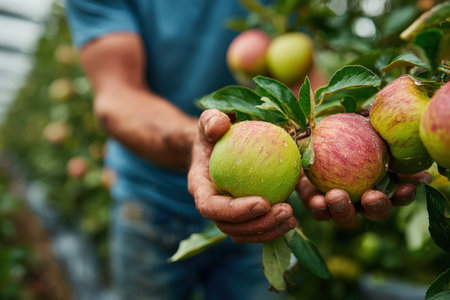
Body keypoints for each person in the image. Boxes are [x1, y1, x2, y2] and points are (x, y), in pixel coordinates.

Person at [66, 1, 427, 299]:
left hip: (268, 207)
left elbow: (302, 79)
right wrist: (196, 141)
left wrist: (364, 134)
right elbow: (116, 97)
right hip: (150, 200)